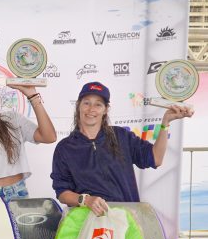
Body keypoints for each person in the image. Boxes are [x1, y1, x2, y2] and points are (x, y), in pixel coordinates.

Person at [51, 81, 194, 216]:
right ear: (78, 105)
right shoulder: (65, 148)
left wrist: (166, 122)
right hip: (86, 223)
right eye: (86, 103)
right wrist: (86, 200)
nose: (91, 109)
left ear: (106, 109)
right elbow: (62, 192)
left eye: (98, 105)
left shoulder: (121, 136)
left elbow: (156, 158)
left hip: (127, 219)